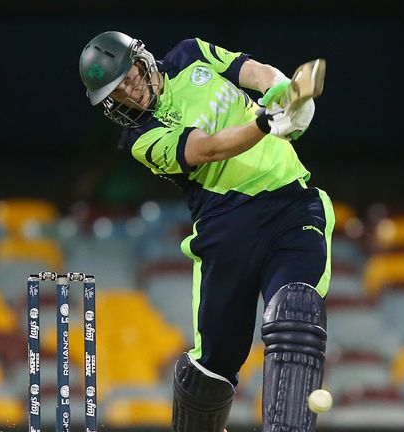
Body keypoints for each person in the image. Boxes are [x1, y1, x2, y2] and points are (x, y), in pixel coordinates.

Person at [79, 31, 334, 431]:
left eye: (127, 77)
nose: (129, 92)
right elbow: (208, 148)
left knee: (295, 313)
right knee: (213, 365)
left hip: (291, 205)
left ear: (142, 59)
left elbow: (254, 71)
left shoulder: (189, 54)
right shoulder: (140, 138)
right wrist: (267, 123)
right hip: (225, 226)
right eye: (118, 92)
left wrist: (285, 92)